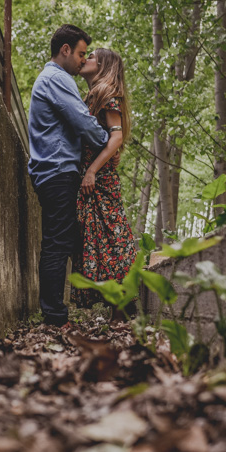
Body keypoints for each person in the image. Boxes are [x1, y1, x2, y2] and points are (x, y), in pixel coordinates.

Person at [28, 25, 110, 328]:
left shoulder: (51, 78)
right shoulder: (56, 78)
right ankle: (54, 317)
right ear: (65, 50)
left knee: (65, 240)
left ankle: (64, 311)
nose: (82, 60)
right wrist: (108, 139)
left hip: (55, 171)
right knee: (57, 243)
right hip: (57, 172)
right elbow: (84, 123)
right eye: (80, 53)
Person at [71, 48, 138, 318]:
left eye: (90, 57)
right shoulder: (94, 95)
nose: (84, 59)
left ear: (103, 66)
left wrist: (92, 172)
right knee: (98, 241)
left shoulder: (108, 94)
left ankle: (123, 307)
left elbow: (116, 139)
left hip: (101, 180)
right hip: (92, 180)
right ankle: (118, 308)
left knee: (112, 238)